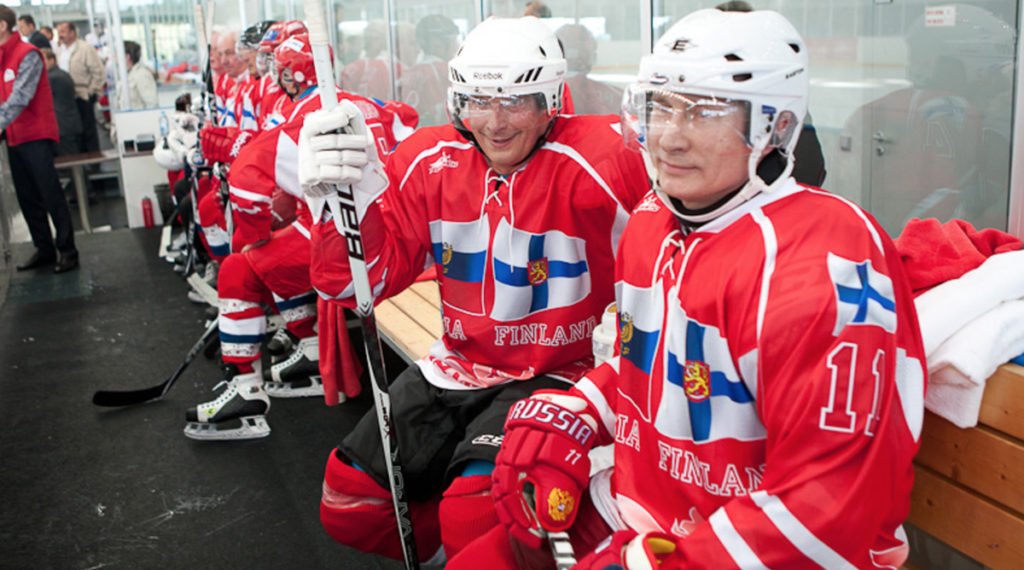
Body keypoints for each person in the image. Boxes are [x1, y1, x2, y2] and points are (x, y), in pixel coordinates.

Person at [447, 9, 926, 569]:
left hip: (767, 546)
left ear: (775, 125)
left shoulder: (823, 257)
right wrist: (577, 412)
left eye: (706, 110)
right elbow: (653, 366)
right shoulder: (653, 219)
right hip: (650, 505)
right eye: (660, 107)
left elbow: (830, 509)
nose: (670, 137)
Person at [299, 16, 650, 564]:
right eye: (478, 101)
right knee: (351, 502)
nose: (495, 122)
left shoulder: (607, 156)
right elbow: (356, 285)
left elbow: (690, 221)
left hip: (561, 371)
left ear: (551, 99)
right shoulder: (425, 157)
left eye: (516, 102)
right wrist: (339, 207)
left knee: (475, 515)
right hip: (458, 364)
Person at [182, 34, 419, 440]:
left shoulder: (304, 114)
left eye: (278, 66)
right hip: (394, 231)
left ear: (292, 74)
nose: (272, 72)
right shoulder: (366, 103)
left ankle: (247, 388)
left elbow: (246, 178)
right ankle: (308, 349)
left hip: (340, 238)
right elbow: (408, 124)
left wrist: (251, 235)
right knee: (269, 258)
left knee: (240, 267)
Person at [0, 7, 79, 273]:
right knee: (27, 197)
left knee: (50, 194)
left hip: (35, 135)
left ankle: (67, 250)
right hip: (13, 137)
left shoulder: (28, 54)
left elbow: (20, 97)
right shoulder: (2, 58)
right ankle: (44, 249)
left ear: (2, 26)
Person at [55, 21, 103, 153]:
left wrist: (92, 91)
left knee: (88, 129)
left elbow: (98, 71)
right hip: (67, 99)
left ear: (72, 32)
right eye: (59, 32)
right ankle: (82, 162)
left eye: (63, 32)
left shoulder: (85, 48)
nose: (60, 35)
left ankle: (94, 161)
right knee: (75, 131)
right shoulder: (60, 51)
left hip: (83, 95)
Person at [41, 47, 82, 156]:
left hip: (62, 124)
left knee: (70, 157)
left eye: (42, 60)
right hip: (69, 122)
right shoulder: (64, 74)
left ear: (51, 60)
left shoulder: (51, 78)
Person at [123, 40, 157, 109]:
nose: (114, 56)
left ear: (127, 56)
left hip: (139, 118)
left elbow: (152, 104)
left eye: (116, 53)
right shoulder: (127, 75)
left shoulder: (142, 75)